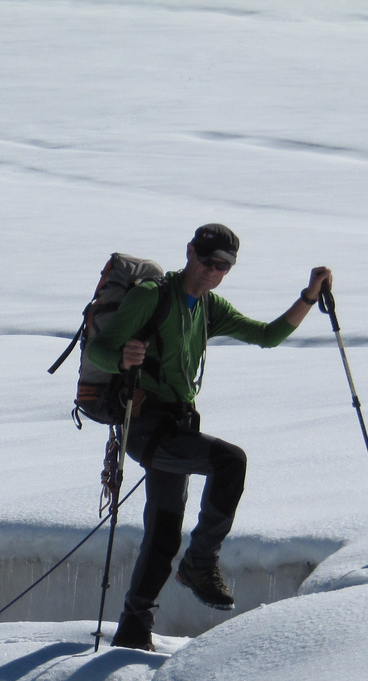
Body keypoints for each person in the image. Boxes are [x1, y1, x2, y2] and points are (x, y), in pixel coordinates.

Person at [84, 224, 331, 650]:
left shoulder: (209, 307)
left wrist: (309, 297)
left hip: (178, 428)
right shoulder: (152, 296)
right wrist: (123, 357)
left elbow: (267, 336)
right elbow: (98, 350)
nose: (212, 271)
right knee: (229, 461)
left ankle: (132, 630)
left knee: (162, 534)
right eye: (207, 260)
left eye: (222, 266)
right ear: (190, 252)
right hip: (146, 427)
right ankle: (199, 562)